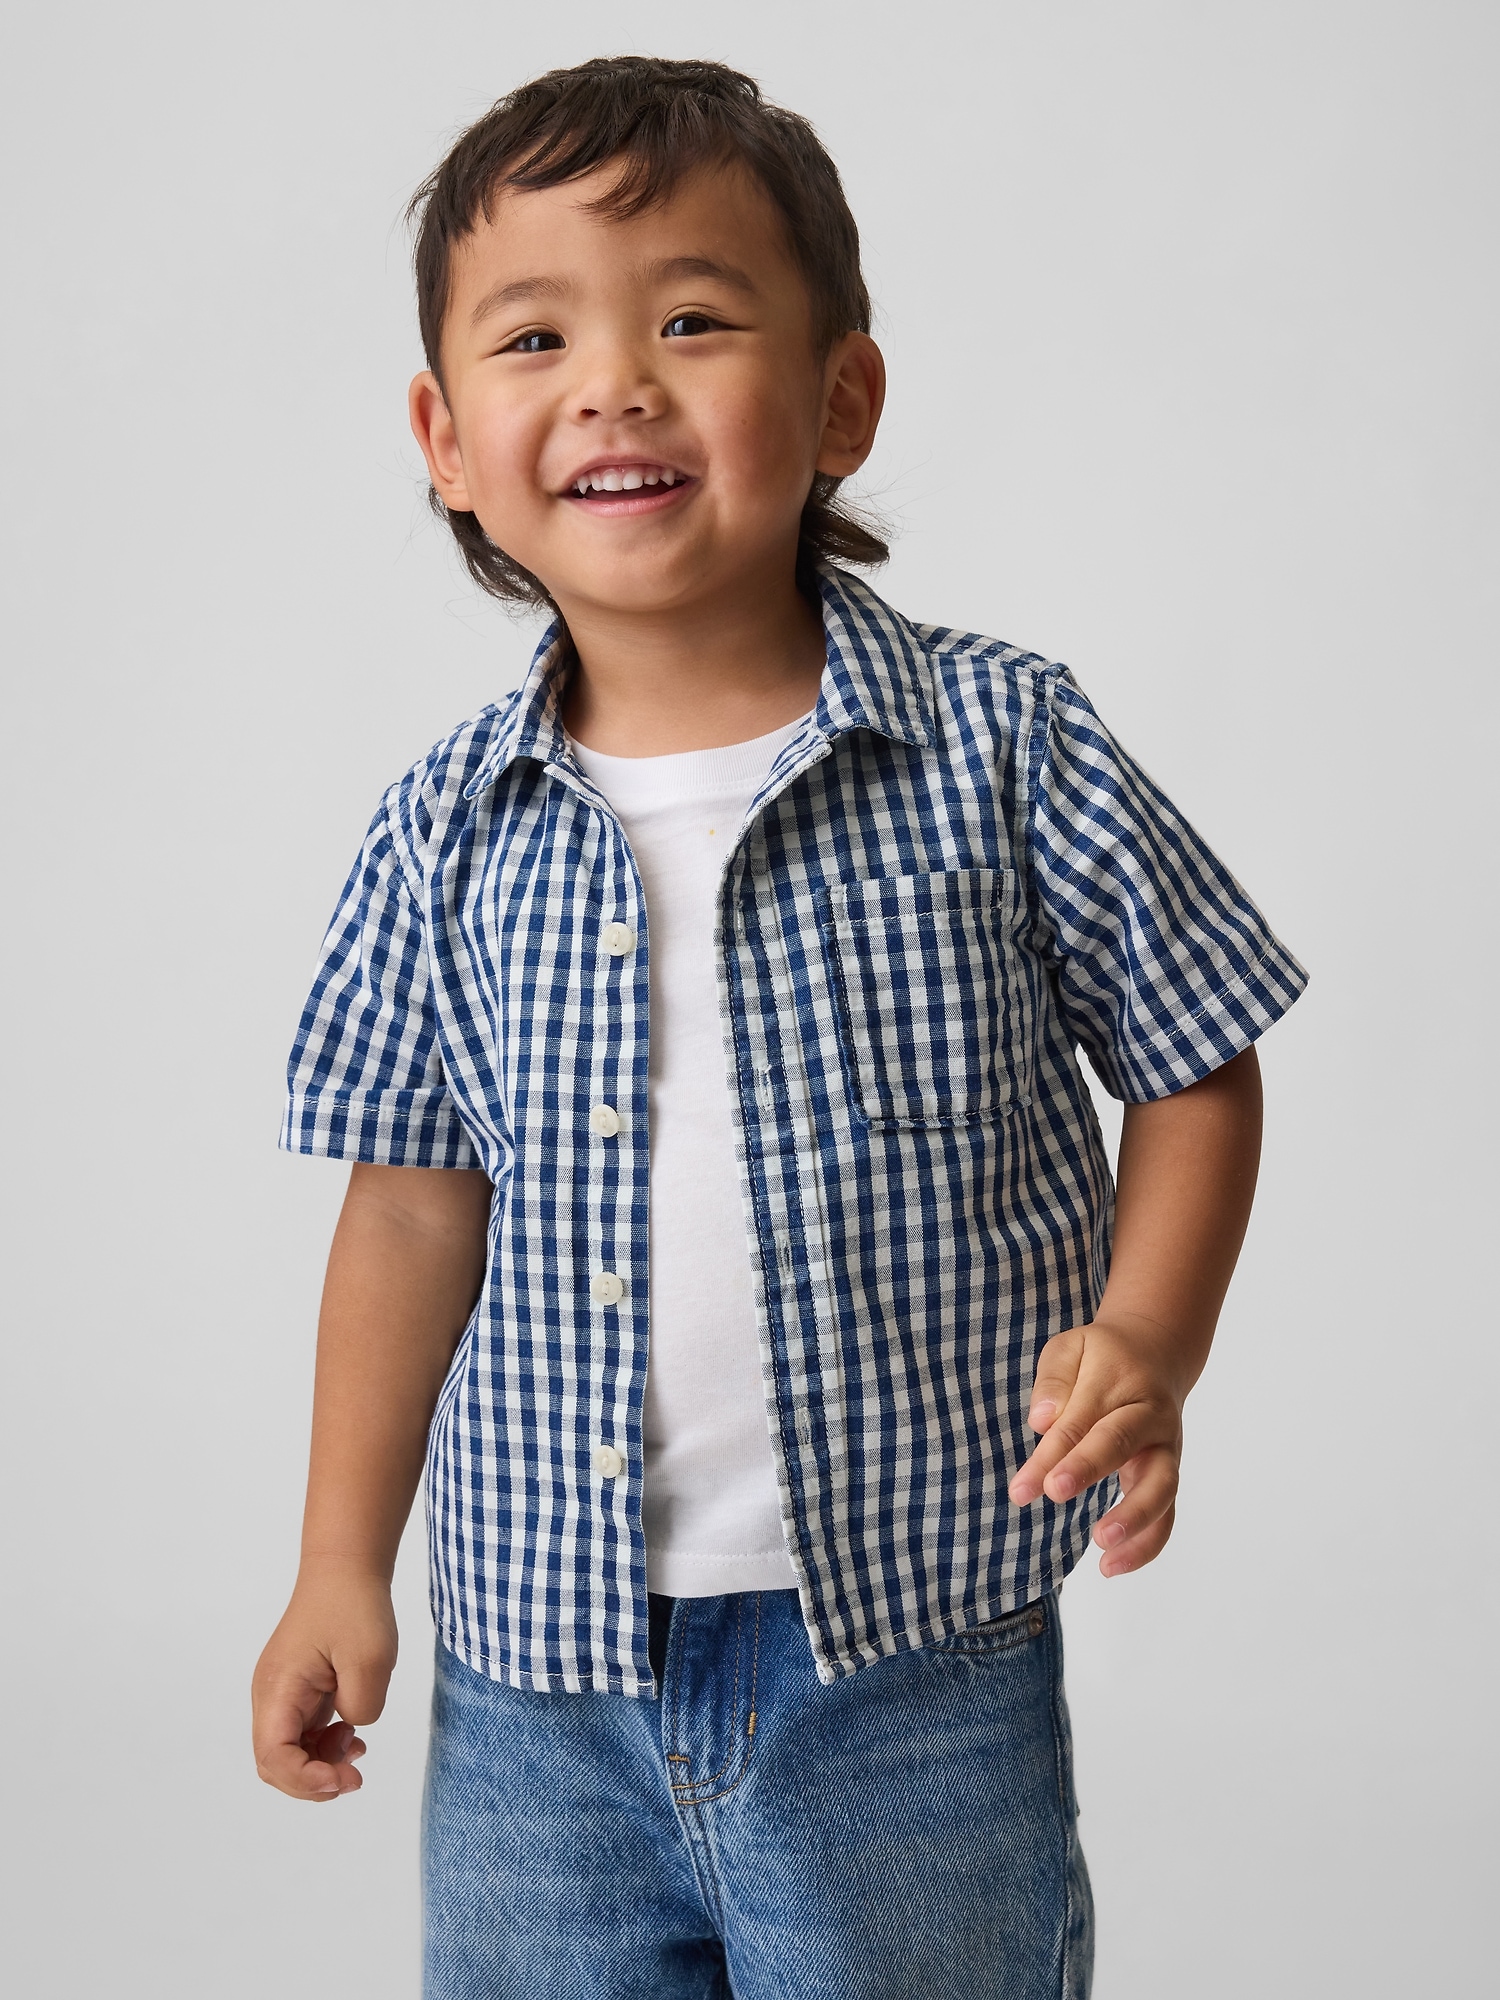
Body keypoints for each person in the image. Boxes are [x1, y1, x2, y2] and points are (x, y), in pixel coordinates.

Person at [251, 54, 1306, 2000]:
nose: (616, 380)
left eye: (693, 317)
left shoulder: (1003, 744)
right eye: (538, 332)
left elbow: (1196, 1054)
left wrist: (1152, 1341)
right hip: (535, 1683)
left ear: (842, 399)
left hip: (912, 1661)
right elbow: (408, 1208)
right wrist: (339, 1557)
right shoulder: (440, 829)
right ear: (448, 437)